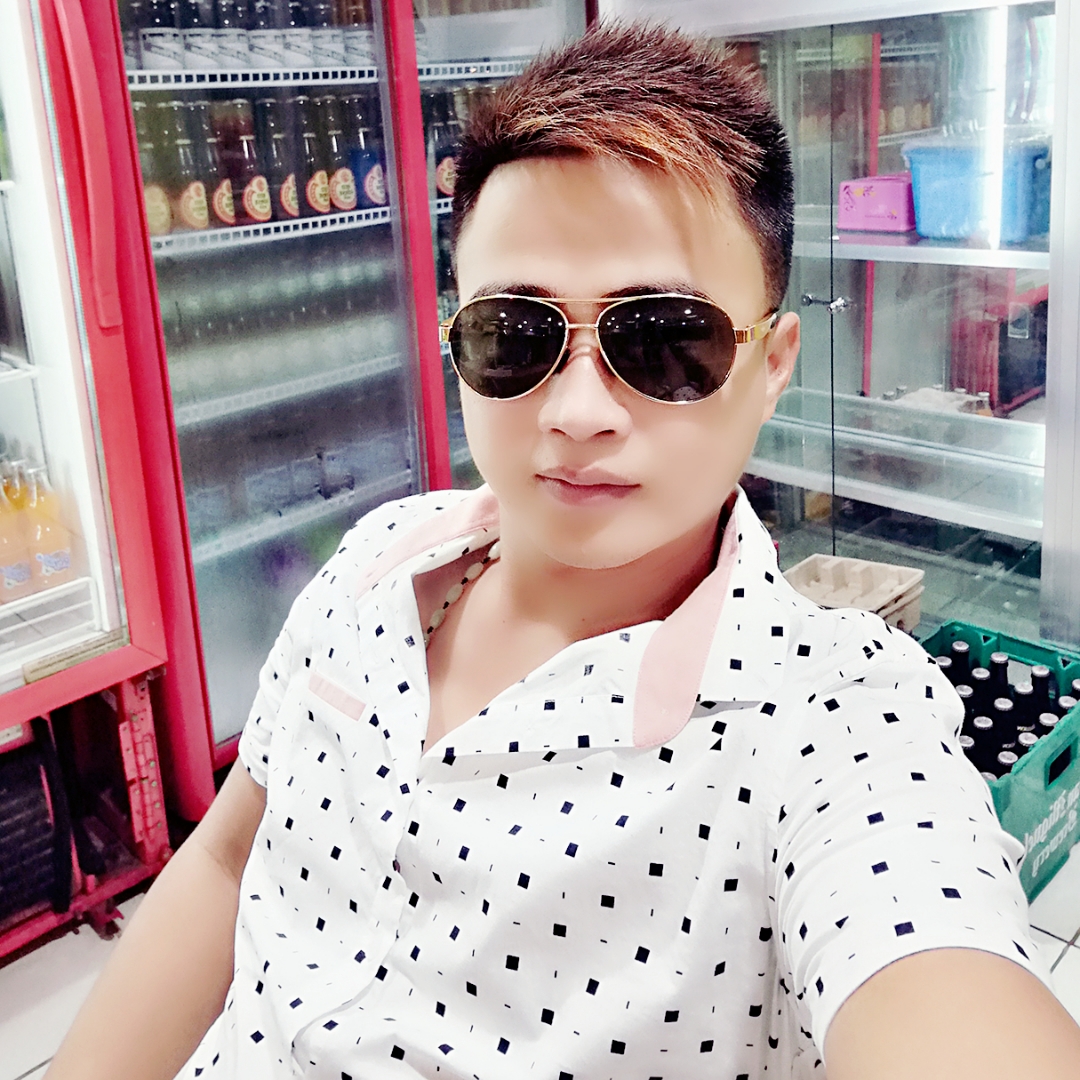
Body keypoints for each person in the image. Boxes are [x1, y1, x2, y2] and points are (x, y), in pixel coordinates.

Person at [48, 22, 1080, 1080]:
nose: (579, 411)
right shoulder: (374, 563)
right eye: (514, 334)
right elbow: (228, 858)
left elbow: (932, 955)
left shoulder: (826, 722)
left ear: (772, 363)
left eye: (666, 339)